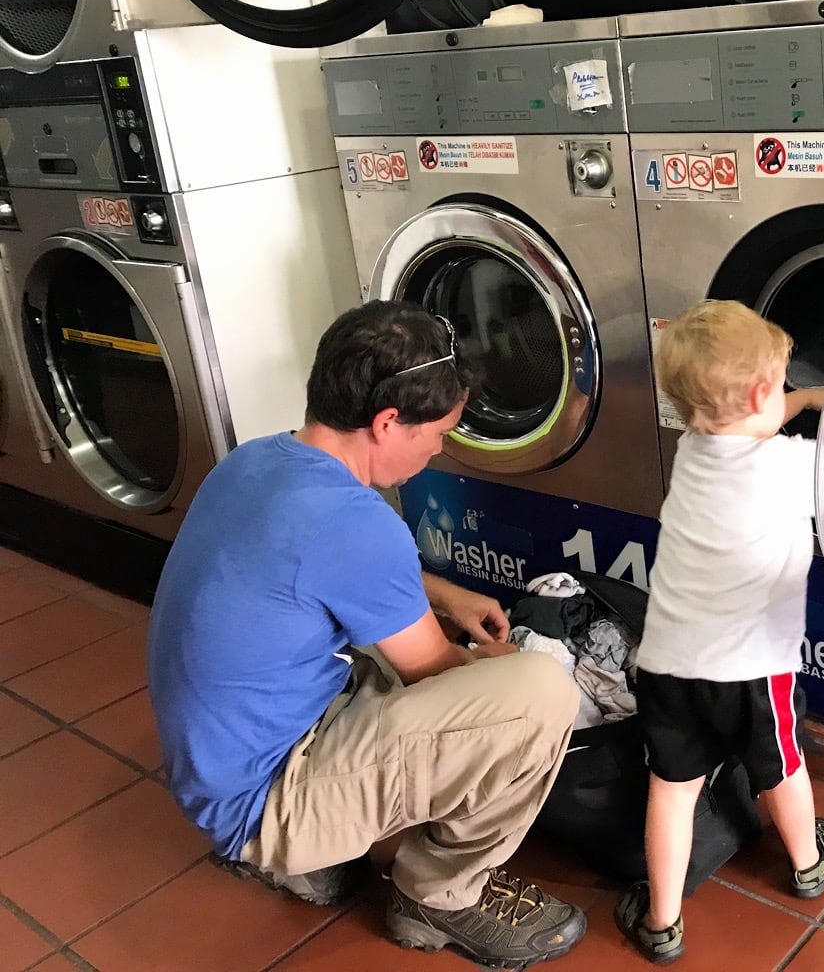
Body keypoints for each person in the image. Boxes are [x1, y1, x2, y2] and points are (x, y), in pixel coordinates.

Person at [147, 301, 587, 969]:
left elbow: (325, 575)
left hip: (222, 766)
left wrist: (442, 594)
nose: (440, 446)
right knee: (540, 695)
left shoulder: (258, 461)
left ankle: (311, 867)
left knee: (384, 648)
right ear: (388, 422)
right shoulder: (355, 524)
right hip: (265, 801)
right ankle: (439, 898)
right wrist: (502, 664)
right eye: (438, 431)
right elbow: (436, 674)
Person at [615, 300, 824, 963]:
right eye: (778, 383)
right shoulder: (790, 469)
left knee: (672, 791)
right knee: (781, 768)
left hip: (667, 666)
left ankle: (660, 921)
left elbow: (753, 424)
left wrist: (797, 397)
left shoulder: (693, 448)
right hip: (752, 672)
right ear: (755, 393)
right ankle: (807, 862)